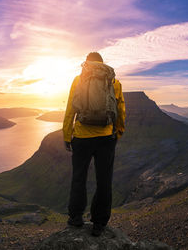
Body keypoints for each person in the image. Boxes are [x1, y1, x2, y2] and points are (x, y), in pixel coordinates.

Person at [62, 52, 126, 237]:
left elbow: (70, 109)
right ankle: (99, 223)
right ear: (102, 64)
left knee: (79, 177)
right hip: (106, 138)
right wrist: (117, 133)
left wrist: (67, 135)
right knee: (104, 181)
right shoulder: (114, 82)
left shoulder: (78, 79)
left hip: (82, 137)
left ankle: (75, 218)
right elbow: (120, 109)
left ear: (87, 63)